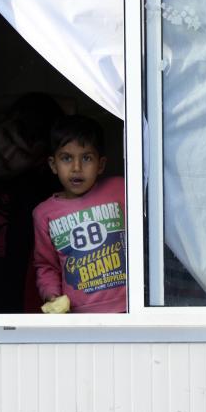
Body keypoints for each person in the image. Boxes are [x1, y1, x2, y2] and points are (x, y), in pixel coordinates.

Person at [0, 93, 63, 313]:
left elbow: (70, 107)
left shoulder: (36, 196)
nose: (6, 154)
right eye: (6, 136)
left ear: (40, 162)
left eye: (22, 153)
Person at [32, 116, 127, 313]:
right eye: (66, 158)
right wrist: (52, 296)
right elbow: (46, 265)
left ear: (100, 165)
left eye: (86, 158)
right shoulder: (44, 214)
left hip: (129, 307)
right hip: (79, 316)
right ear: (53, 164)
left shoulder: (120, 189)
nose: (77, 168)